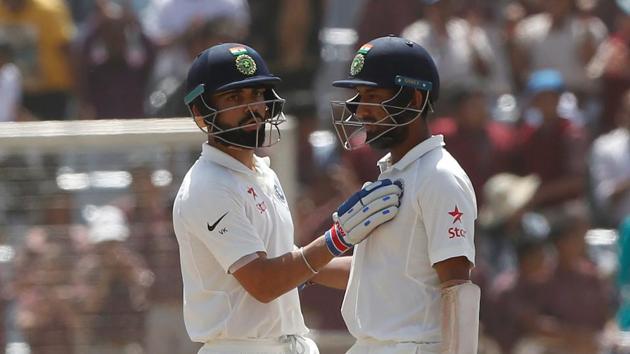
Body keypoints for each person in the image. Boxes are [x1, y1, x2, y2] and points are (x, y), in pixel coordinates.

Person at [172, 42, 403, 354]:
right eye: (234, 98)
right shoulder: (208, 185)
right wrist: (339, 236)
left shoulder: (262, 172)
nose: (252, 107)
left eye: (257, 95)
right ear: (201, 113)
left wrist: (396, 269)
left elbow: (301, 266)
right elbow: (264, 284)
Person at [330, 35, 479, 354]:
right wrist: (296, 264)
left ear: (413, 98)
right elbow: (382, 275)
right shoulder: (398, 172)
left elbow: (457, 286)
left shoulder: (439, 177)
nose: (360, 110)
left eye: (372, 95)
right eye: (359, 96)